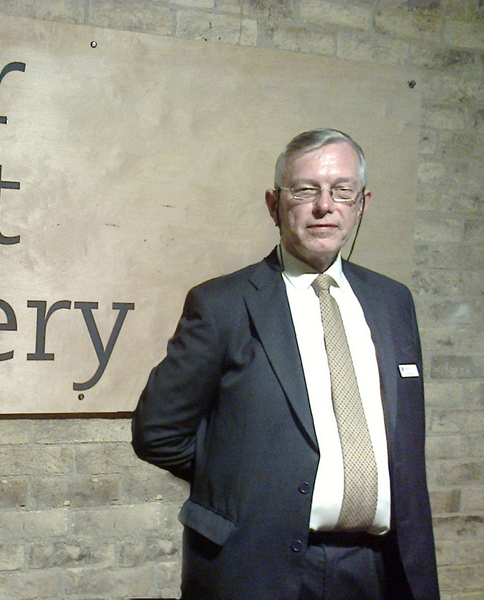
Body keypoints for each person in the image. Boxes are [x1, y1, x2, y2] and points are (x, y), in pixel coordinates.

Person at [132, 129, 440, 600]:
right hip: (256, 563)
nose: (324, 206)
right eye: (305, 190)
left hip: (380, 569)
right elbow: (158, 432)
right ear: (275, 205)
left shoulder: (393, 301)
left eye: (342, 191)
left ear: (361, 204)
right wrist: (247, 477)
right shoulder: (223, 304)